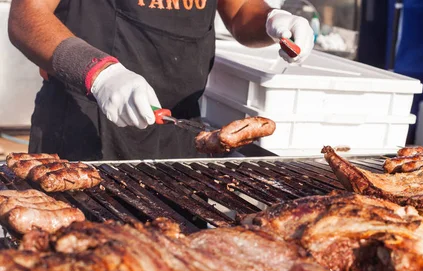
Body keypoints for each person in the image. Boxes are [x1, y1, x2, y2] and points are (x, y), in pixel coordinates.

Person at [8, 0, 314, 160]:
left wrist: (274, 21)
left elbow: (242, 10)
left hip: (179, 136)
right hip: (82, 131)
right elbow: (26, 16)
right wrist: (99, 73)